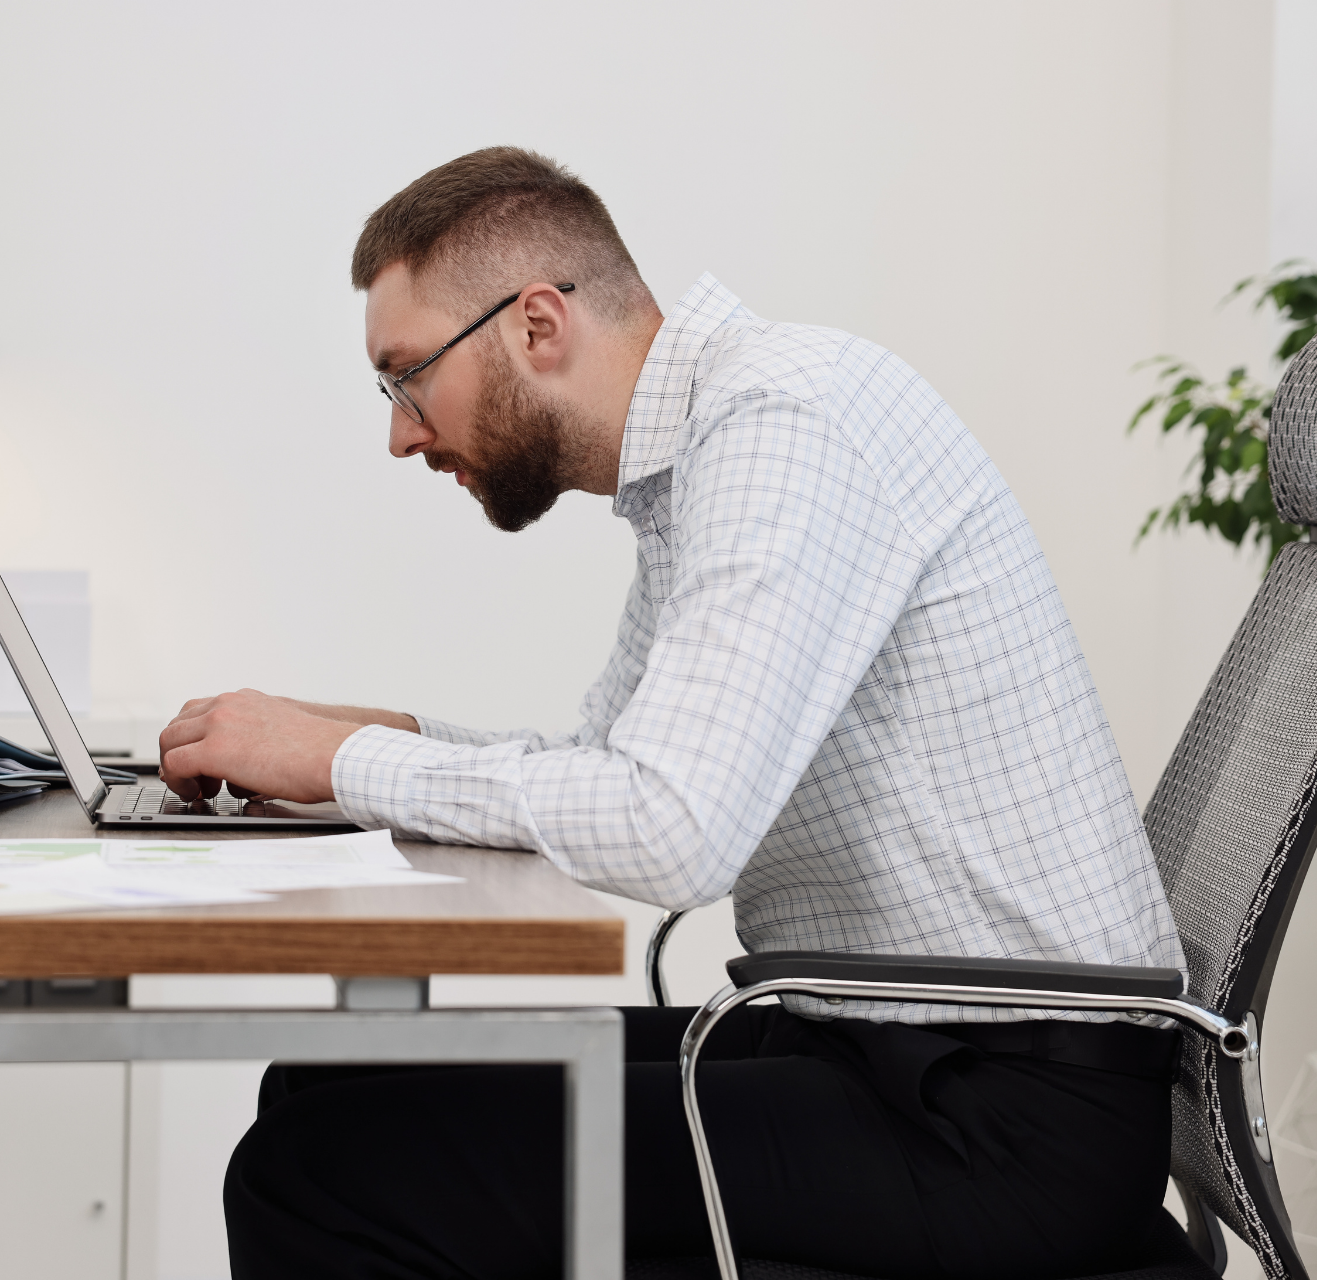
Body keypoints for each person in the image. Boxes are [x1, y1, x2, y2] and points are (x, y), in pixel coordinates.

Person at [159, 147, 1186, 1279]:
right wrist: (359, 738)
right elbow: (606, 765)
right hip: (879, 1043)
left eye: (406, 377)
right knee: (332, 1078)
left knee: (316, 1168)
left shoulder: (787, 421)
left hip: (997, 1113)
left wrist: (344, 759)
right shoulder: (704, 455)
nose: (402, 433)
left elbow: (668, 825)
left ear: (536, 325)